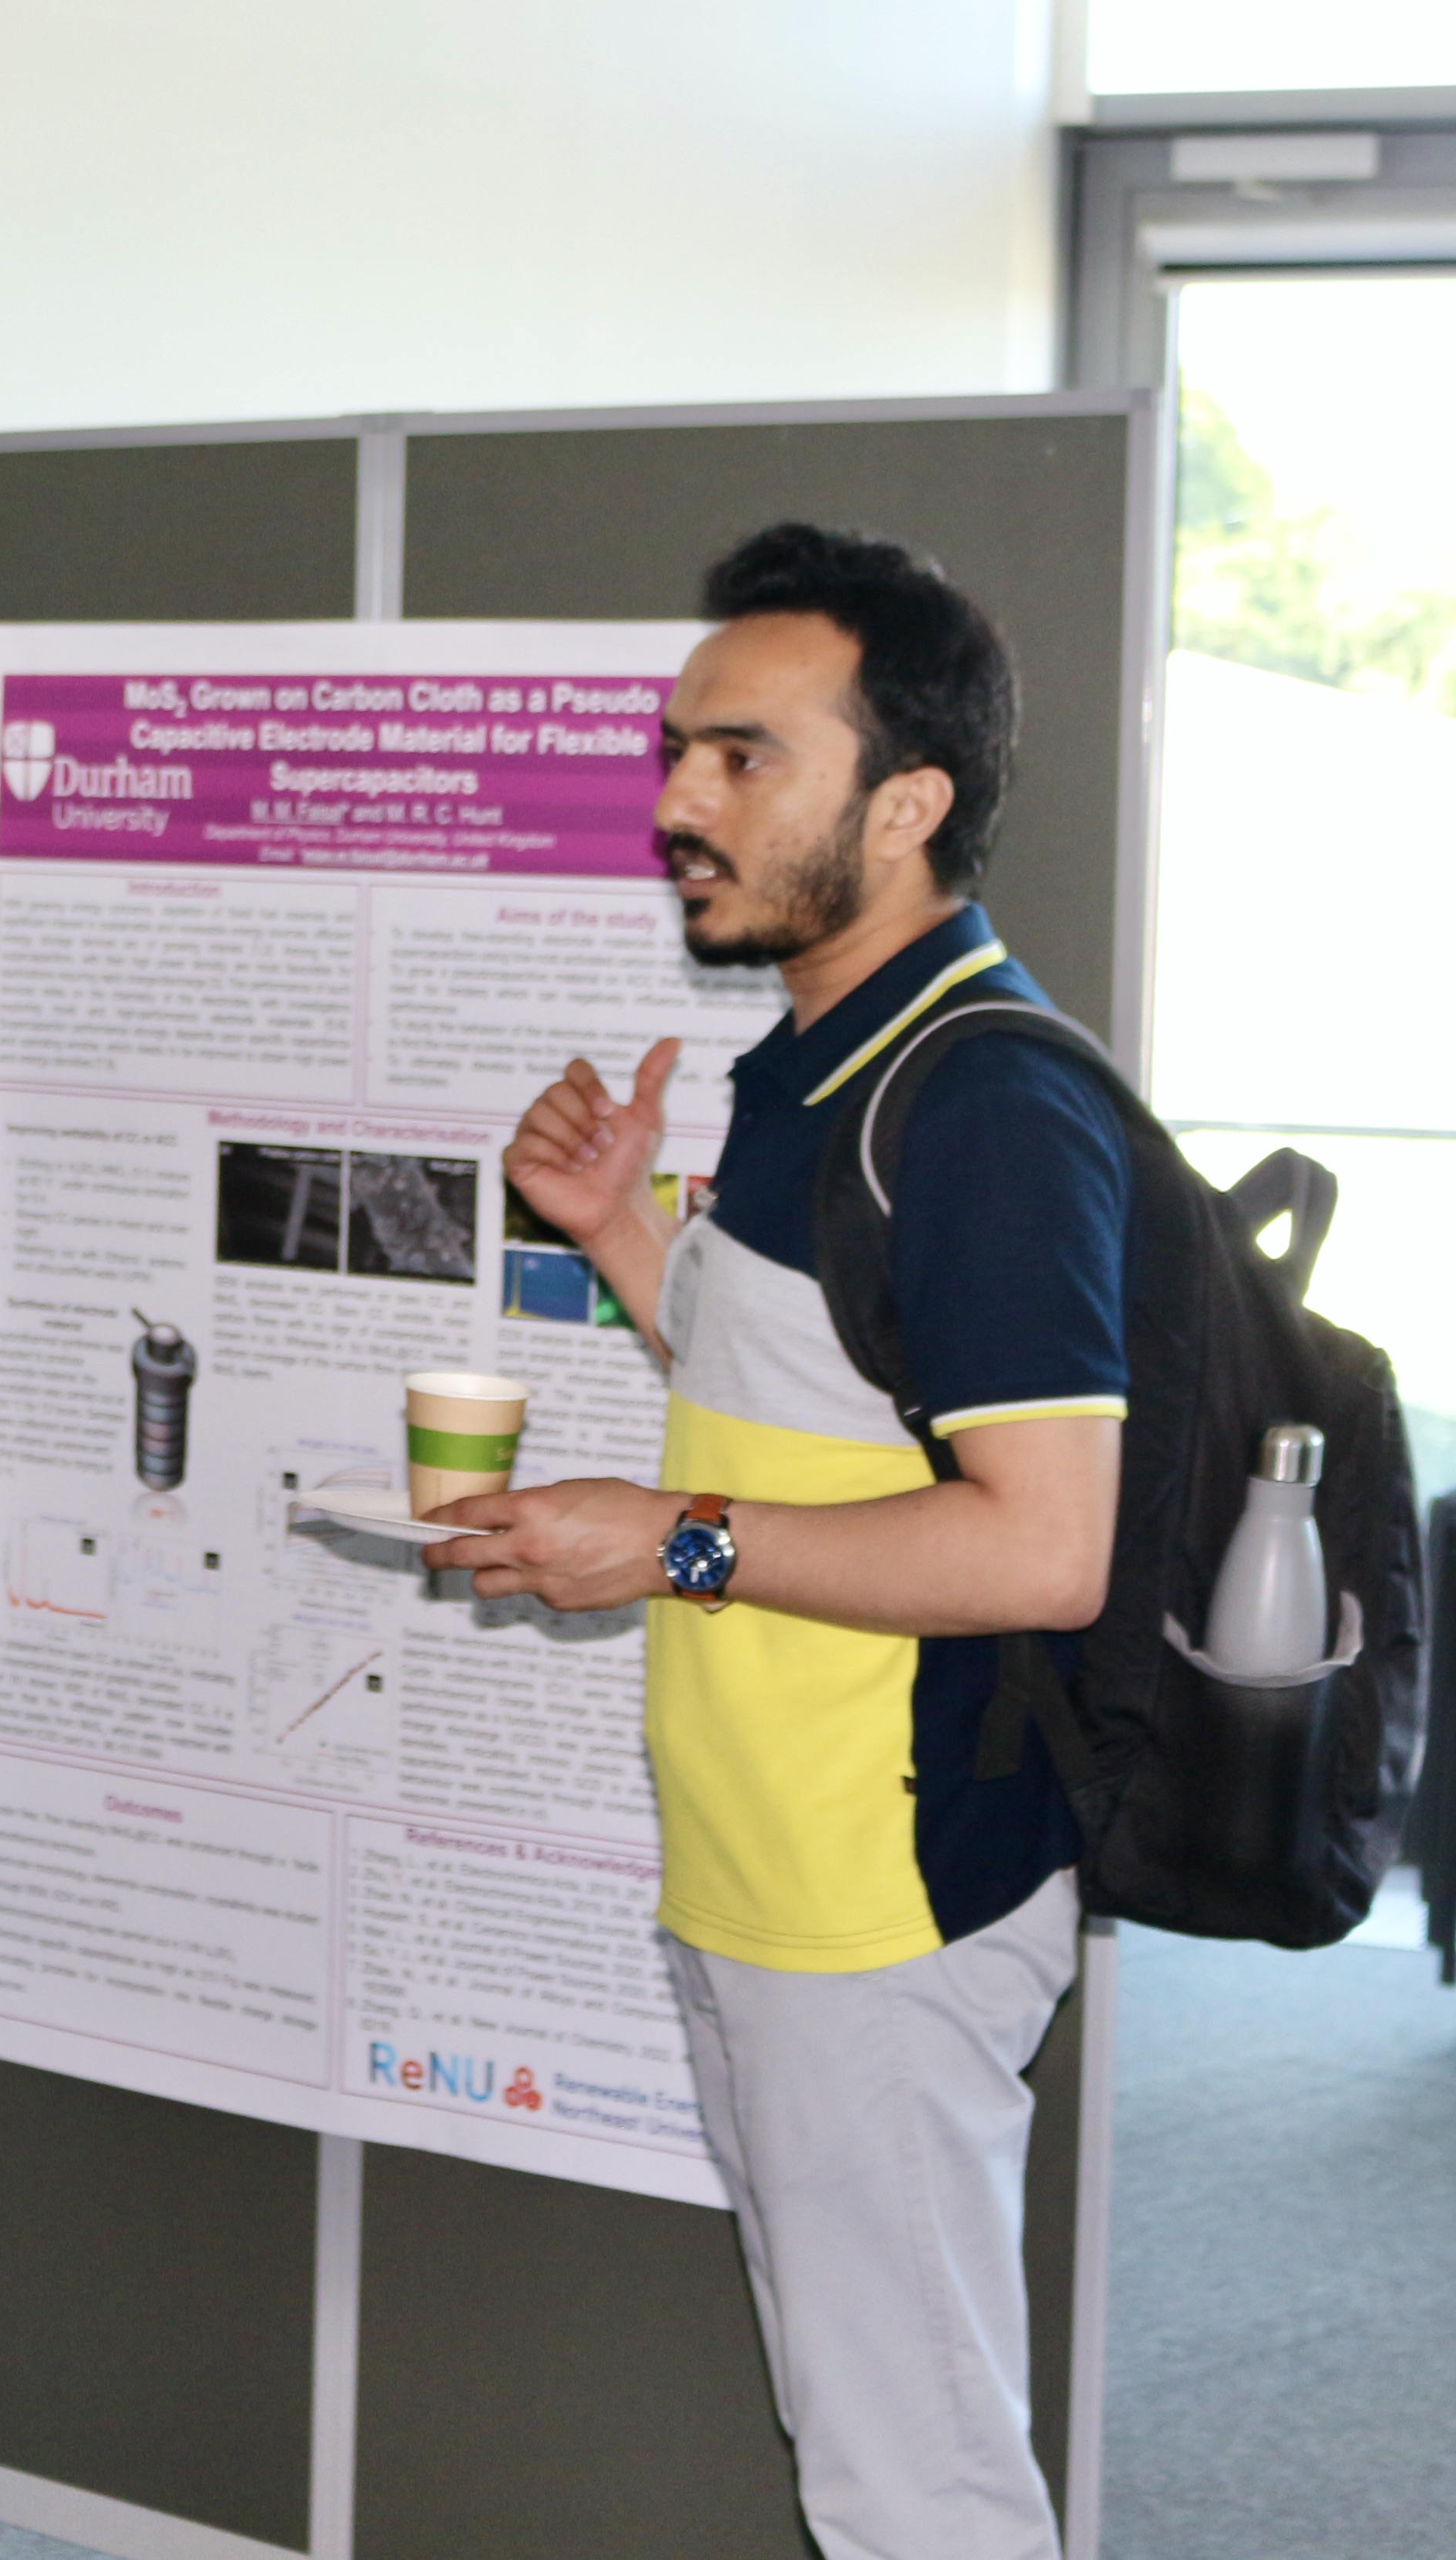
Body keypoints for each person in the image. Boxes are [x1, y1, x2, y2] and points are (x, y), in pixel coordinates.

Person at [425, 524, 1127, 2560]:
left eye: (742, 757)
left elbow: (1036, 1546)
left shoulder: (985, 1101)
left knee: (913, 2483)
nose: (673, 803)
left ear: (903, 803)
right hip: (760, 1853)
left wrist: (667, 1542)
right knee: (862, 2440)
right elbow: (829, 1415)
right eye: (676, 753)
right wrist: (628, 1240)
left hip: (887, 1881)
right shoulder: (815, 1058)